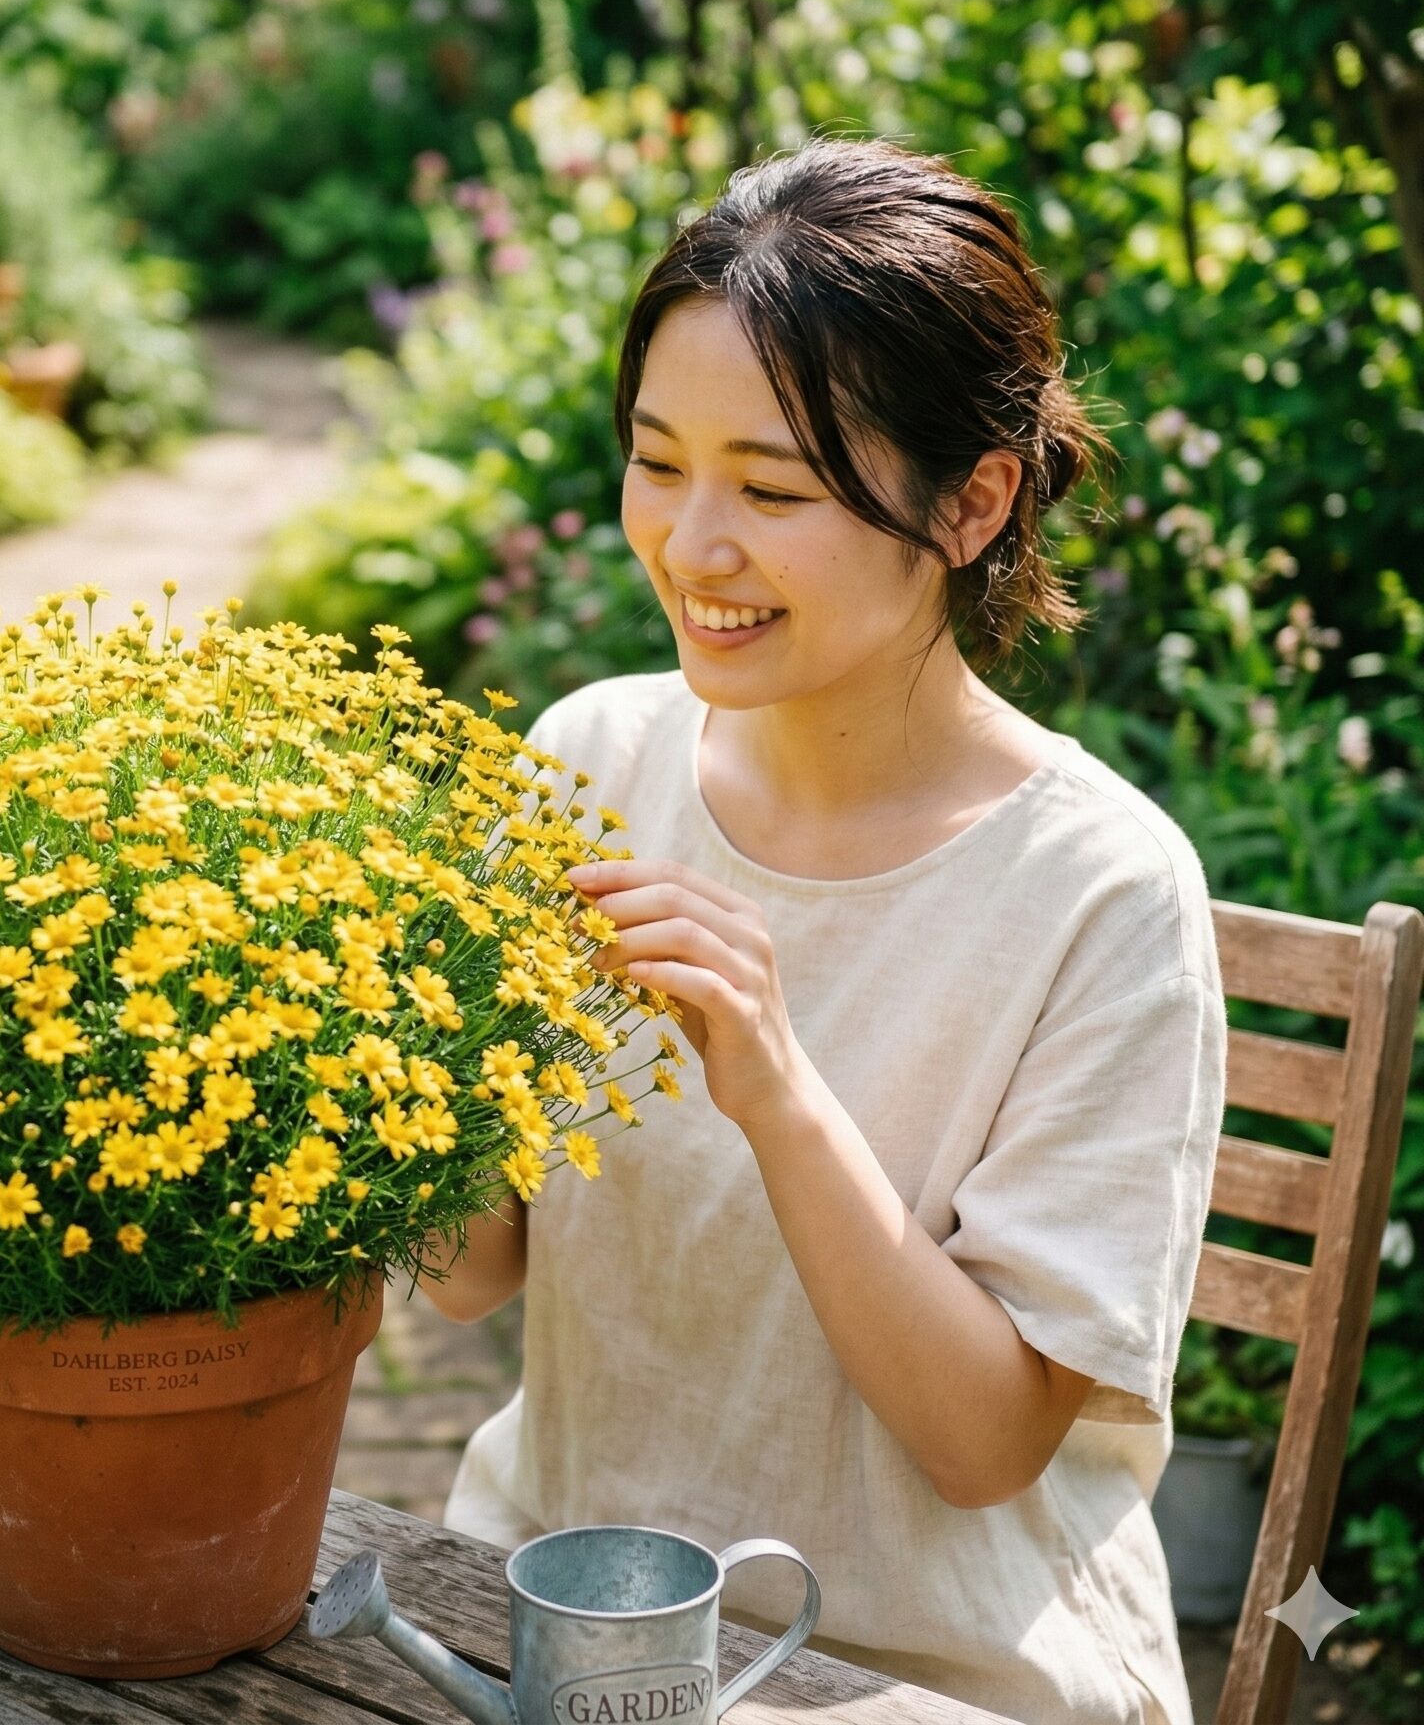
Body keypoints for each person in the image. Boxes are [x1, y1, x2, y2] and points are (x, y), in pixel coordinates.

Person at [428, 137, 1228, 1725]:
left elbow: (985, 1444)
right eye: (661, 464)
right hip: (569, 1616)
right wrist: (411, 1043)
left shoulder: (1103, 893)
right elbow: (465, 1275)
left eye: (774, 490)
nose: (692, 545)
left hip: (922, 1674)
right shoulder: (591, 762)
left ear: (973, 501)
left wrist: (778, 1088)